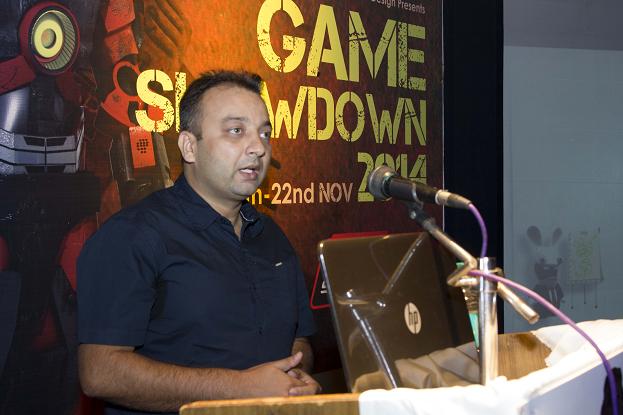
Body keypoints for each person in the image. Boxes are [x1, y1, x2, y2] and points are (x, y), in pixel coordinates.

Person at [77, 70, 320, 415]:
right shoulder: (133, 235)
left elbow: (299, 340)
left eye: (264, 133)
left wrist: (295, 376)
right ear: (189, 146)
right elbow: (100, 372)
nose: (258, 147)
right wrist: (241, 389)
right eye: (236, 131)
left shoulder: (271, 236)